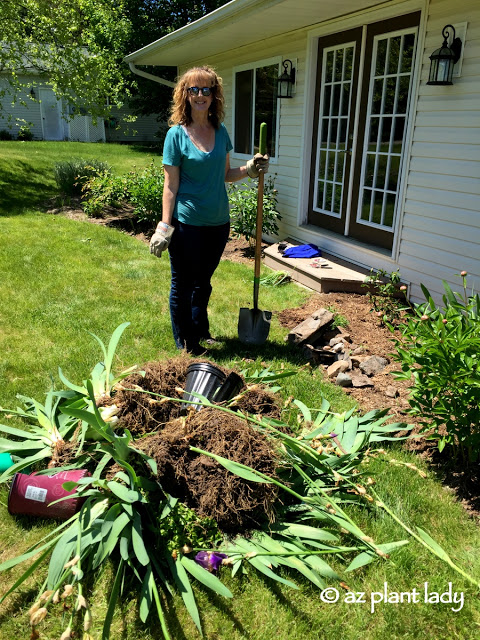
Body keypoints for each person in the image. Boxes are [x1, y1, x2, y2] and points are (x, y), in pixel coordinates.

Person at [150, 65, 268, 355]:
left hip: (218, 223)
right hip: (188, 224)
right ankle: (186, 342)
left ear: (215, 95)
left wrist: (251, 169)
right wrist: (165, 227)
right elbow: (170, 186)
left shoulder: (220, 131)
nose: (201, 95)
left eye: (207, 89)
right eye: (194, 89)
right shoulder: (176, 136)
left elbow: (225, 174)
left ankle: (201, 330)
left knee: (203, 283)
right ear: (185, 95)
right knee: (183, 284)